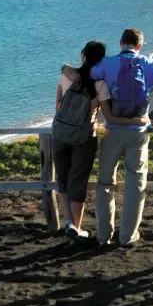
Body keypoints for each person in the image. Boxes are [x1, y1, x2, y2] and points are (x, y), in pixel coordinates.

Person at [89, 28, 153, 247]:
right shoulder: (150, 64)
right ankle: (127, 236)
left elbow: (88, 81)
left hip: (112, 130)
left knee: (106, 182)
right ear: (140, 45)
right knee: (135, 184)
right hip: (139, 131)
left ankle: (104, 235)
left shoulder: (106, 64)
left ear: (120, 43)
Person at [53, 40, 107, 244]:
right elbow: (98, 111)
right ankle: (76, 228)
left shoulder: (66, 76)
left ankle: (68, 223)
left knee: (63, 180)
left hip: (60, 133)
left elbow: (58, 105)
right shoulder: (100, 83)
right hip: (83, 137)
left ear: (83, 56)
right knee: (78, 182)